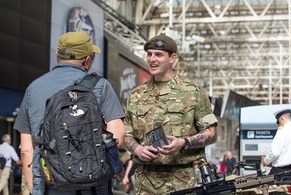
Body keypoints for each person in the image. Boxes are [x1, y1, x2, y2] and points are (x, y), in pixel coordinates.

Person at [13, 31, 126, 195]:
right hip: (92, 186)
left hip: (48, 186)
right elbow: (118, 137)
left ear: (57, 54)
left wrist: (35, 189)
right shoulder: (100, 86)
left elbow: (26, 150)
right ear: (87, 59)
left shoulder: (34, 88)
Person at [123, 34, 218, 194]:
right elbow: (126, 133)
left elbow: (211, 133)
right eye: (149, 54)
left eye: (158, 55)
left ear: (172, 58)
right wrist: (137, 149)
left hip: (182, 181)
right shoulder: (136, 95)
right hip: (145, 181)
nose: (152, 59)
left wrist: (184, 143)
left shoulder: (193, 92)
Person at [261, 109, 291, 179]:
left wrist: (265, 161)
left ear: (282, 118)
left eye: (279, 121)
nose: (279, 124)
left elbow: (275, 152)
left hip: (279, 173)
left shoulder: (282, 131)